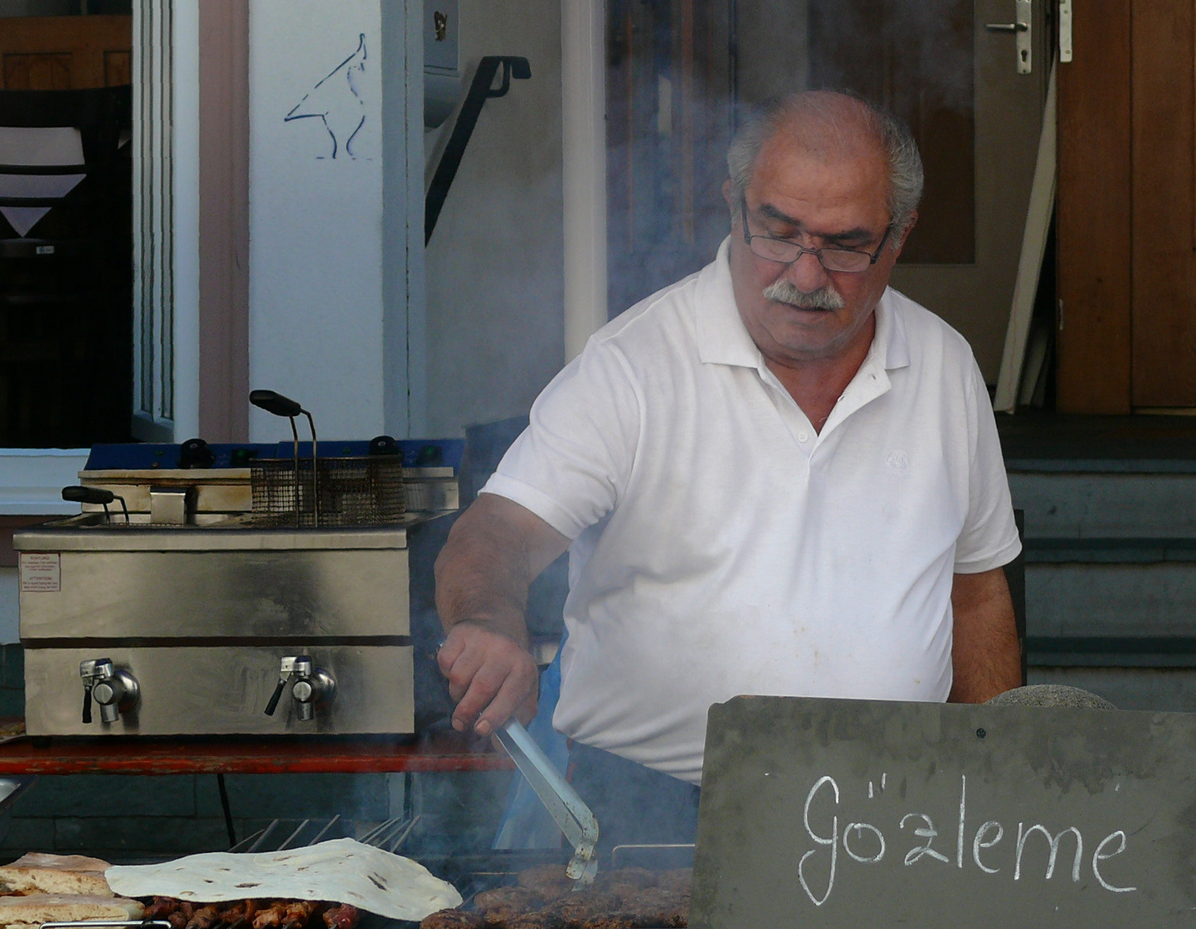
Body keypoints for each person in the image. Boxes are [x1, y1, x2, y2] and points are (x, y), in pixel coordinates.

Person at [434, 90, 1022, 844]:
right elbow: (496, 534)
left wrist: (1006, 785)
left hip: (896, 813)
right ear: (733, 207)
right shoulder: (633, 366)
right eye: (777, 232)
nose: (805, 276)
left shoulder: (943, 365)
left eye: (844, 245)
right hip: (653, 815)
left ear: (898, 236)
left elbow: (974, 594)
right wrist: (488, 621)